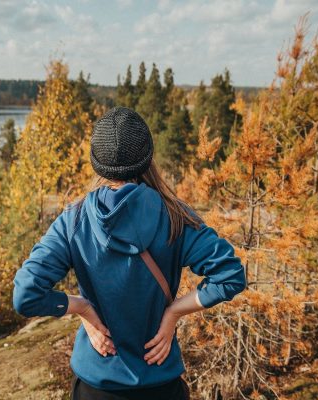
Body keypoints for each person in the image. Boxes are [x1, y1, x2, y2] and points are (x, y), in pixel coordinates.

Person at [12, 106, 247, 400]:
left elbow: (25, 295)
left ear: (97, 164)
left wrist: (81, 308)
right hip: (160, 378)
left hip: (96, 385)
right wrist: (173, 313)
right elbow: (231, 276)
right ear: (149, 158)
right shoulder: (176, 217)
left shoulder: (73, 221)